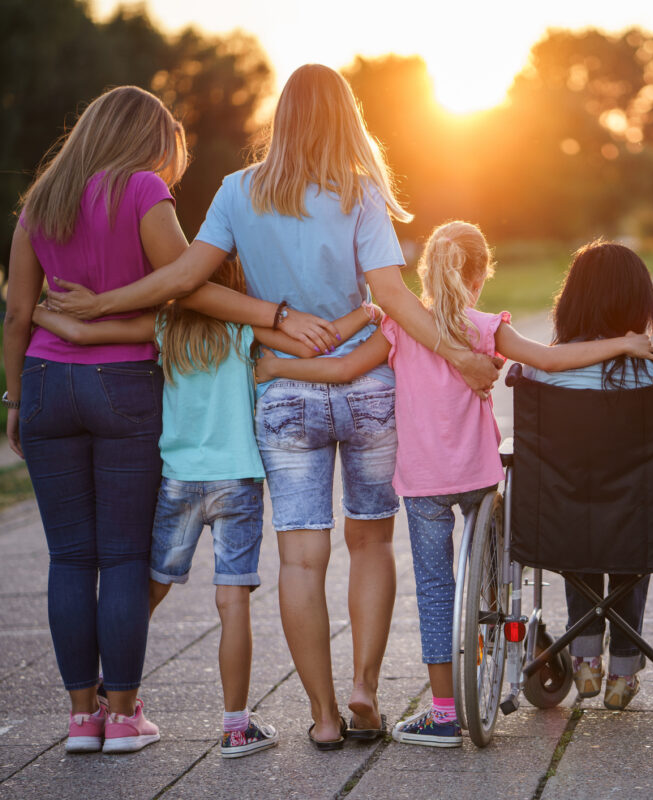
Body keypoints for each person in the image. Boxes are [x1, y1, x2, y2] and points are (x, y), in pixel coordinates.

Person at [43, 65, 501, 749]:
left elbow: (186, 280)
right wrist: (460, 353)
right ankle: (364, 693)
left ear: (281, 118)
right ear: (346, 118)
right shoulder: (361, 193)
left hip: (285, 393)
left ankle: (321, 716)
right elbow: (395, 301)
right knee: (372, 540)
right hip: (369, 392)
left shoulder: (236, 191)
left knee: (301, 560)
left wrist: (103, 304)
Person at [1, 86, 316, 756]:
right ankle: (123, 719)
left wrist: (12, 398)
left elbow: (16, 313)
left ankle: (80, 719)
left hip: (44, 384)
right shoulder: (142, 189)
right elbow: (187, 283)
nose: (179, 156)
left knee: (68, 558)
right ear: (151, 137)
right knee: (120, 556)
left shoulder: (42, 200)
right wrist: (274, 316)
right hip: (123, 387)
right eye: (176, 140)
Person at [256, 226, 653, 743]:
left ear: (425, 272)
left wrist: (276, 365)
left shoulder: (402, 329)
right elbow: (552, 360)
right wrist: (624, 342)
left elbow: (341, 369)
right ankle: (492, 620)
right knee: (491, 564)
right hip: (478, 477)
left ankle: (444, 712)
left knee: (434, 591)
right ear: (478, 275)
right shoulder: (486, 327)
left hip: (424, 487)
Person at [30, 260, 380, 757]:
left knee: (149, 585)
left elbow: (82, 337)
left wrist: (36, 314)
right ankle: (236, 727)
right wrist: (366, 314)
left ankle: (110, 684)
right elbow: (312, 342)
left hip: (177, 481)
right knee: (231, 602)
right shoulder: (243, 331)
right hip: (237, 482)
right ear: (237, 288)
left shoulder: (165, 328)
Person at [516, 241, 653, 711]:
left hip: (562, 517)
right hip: (635, 519)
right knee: (630, 527)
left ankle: (585, 658)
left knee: (579, 524)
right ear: (640, 304)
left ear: (571, 301)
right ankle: (624, 671)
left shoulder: (542, 372)